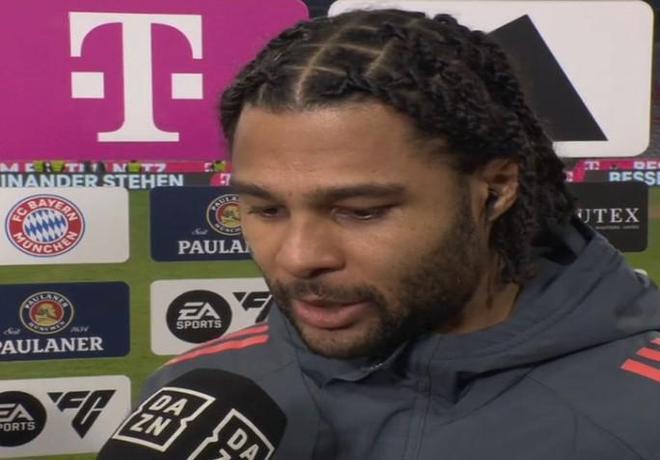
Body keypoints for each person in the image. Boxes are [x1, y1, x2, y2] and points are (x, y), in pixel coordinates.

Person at [143, 9, 660, 459]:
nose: (299, 258)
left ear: (496, 189)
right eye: (266, 209)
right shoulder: (194, 399)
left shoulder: (643, 412)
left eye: (360, 212)